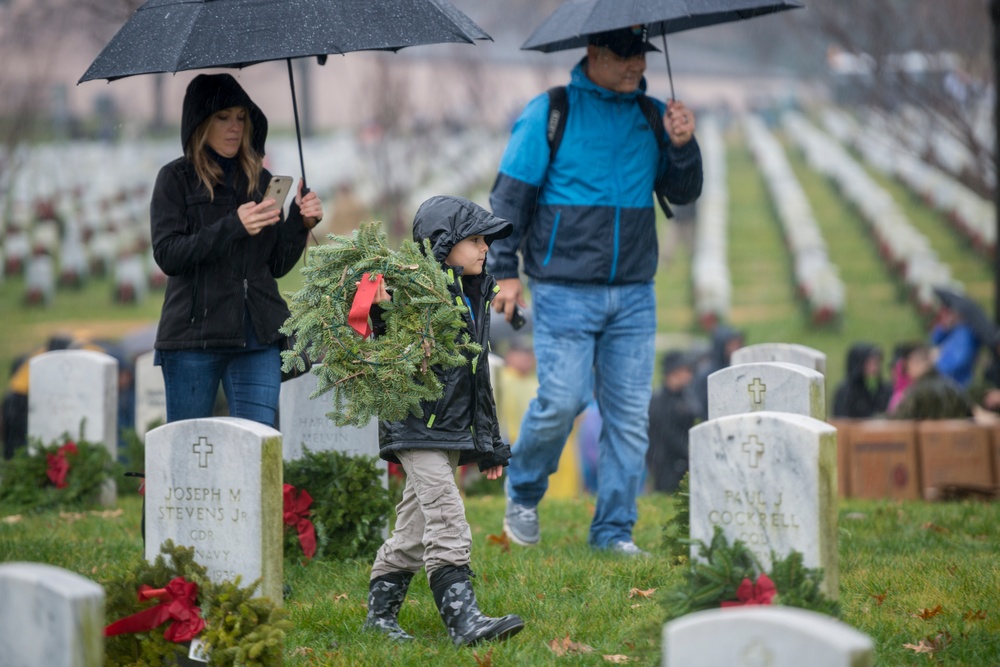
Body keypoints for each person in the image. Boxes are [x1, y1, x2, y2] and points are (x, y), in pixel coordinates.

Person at [489, 24, 703, 555]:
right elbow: (508, 198)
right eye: (626, 56)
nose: (638, 66)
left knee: (629, 420)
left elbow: (684, 190)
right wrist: (505, 271)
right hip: (563, 290)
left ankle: (612, 531)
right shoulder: (551, 112)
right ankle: (524, 490)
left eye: (642, 55)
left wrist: (682, 145)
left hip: (634, 293)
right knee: (562, 400)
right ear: (594, 53)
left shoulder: (652, 116)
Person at [363, 195, 524, 647]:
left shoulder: (473, 296)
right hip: (416, 428)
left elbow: (479, 381)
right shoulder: (411, 292)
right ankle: (463, 621)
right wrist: (377, 303)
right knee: (448, 517)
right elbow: (372, 324)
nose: (484, 248)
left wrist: (489, 445)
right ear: (442, 243)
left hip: (449, 431)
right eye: (474, 239)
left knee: (413, 530)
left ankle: (379, 618)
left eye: (485, 240)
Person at [150, 74, 323, 427]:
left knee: (260, 449)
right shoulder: (176, 179)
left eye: (241, 118)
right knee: (188, 449)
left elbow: (273, 265)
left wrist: (298, 223)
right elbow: (168, 254)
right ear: (200, 123)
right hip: (192, 338)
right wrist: (233, 225)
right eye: (223, 117)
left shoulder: (259, 181)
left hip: (257, 337)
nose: (234, 128)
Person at [646, 351, 698, 493]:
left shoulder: (686, 397)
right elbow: (666, 433)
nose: (689, 375)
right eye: (685, 370)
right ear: (673, 372)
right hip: (665, 464)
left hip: (684, 462)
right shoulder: (658, 401)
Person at [691, 325, 745, 422]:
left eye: (738, 343)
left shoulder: (741, 368)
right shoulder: (705, 374)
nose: (736, 348)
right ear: (721, 346)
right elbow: (701, 408)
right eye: (732, 344)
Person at [832, 343, 892, 418]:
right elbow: (841, 419)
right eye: (869, 364)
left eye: (876, 363)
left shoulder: (884, 390)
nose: (874, 368)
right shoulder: (845, 392)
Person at [931, 303, 980, 389]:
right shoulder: (954, 328)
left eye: (949, 312)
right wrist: (943, 327)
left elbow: (958, 360)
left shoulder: (966, 335)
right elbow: (934, 341)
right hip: (943, 380)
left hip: (954, 384)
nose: (946, 315)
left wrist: (933, 364)